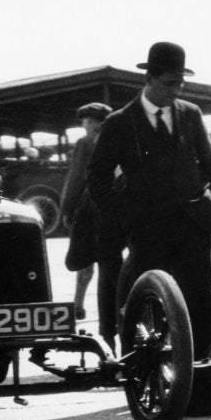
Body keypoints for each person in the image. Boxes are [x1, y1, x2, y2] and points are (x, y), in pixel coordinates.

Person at [87, 42, 211, 360]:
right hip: (148, 229)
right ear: (149, 79)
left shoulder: (190, 114)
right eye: (170, 83)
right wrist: (124, 214)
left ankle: (204, 372)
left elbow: (210, 164)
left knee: (202, 301)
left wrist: (207, 193)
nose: (177, 90)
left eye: (180, 83)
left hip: (193, 226)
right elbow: (98, 176)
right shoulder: (120, 123)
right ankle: (145, 371)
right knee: (152, 303)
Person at [62, 102, 126, 349]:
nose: (85, 125)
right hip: (122, 205)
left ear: (96, 122)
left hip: (95, 207)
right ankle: (122, 323)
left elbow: (77, 177)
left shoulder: (85, 143)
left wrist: (67, 209)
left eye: (88, 121)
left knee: (100, 264)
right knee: (113, 266)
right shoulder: (121, 139)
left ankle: (108, 331)